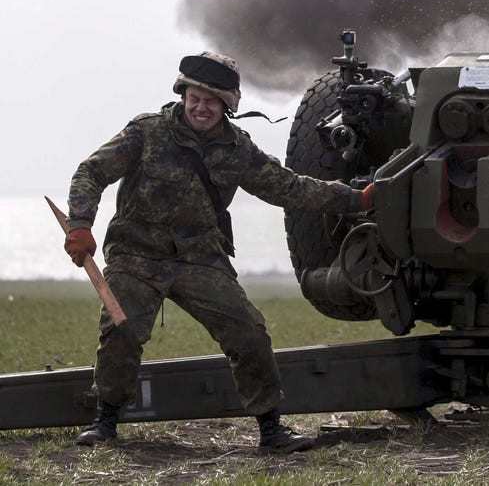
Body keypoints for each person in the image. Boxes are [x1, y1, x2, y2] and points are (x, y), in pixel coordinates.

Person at [62, 51, 374, 453]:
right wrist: (80, 224)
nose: (201, 106)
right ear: (182, 93)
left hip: (200, 257)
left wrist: (357, 200)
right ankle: (105, 421)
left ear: (227, 105)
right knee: (122, 329)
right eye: (194, 96)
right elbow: (91, 171)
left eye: (212, 100)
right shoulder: (146, 131)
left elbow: (290, 187)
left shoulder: (238, 149)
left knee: (249, 330)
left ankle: (271, 429)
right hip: (136, 254)